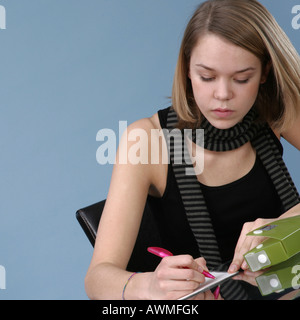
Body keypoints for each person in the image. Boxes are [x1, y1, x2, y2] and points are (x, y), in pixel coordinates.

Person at [85, 0, 300, 300]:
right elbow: (97, 280)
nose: (223, 95)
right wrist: (148, 285)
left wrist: (286, 225)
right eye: (207, 76)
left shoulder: (276, 108)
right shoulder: (147, 140)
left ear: (264, 73)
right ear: (187, 68)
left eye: (242, 78)